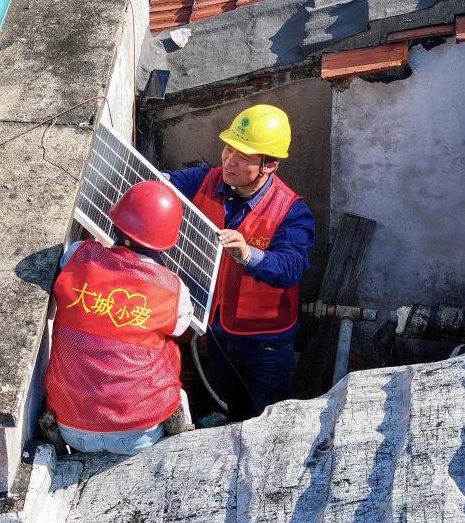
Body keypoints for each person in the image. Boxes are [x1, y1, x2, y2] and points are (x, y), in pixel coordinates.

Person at [166, 104, 315, 421]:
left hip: (264, 344)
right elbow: (159, 183)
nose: (229, 161)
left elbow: (292, 267)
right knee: (231, 411)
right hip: (218, 331)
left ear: (269, 165)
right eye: (228, 149)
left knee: (265, 419)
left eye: (244, 156)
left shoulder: (290, 210)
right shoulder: (205, 180)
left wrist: (248, 255)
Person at [44, 181, 197, 455]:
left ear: (116, 222)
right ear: (166, 241)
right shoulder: (173, 289)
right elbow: (180, 327)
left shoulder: (77, 255)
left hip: (71, 427)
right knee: (168, 350)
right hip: (138, 433)